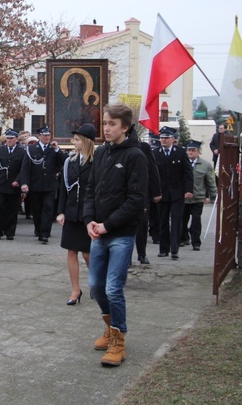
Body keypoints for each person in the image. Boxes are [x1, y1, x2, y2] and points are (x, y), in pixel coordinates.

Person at [83, 104, 147, 367]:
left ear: (125, 127)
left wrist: (108, 225)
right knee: (96, 286)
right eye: (105, 123)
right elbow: (90, 189)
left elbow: (136, 201)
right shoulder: (100, 154)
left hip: (120, 233)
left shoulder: (135, 156)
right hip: (98, 232)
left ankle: (118, 340)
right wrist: (89, 221)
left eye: (111, 124)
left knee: (113, 287)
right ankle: (109, 328)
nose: (106, 128)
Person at [56, 123, 95, 305]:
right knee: (72, 251)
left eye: (78, 140)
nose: (74, 143)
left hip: (88, 214)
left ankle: (96, 282)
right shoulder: (69, 161)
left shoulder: (96, 162)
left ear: (86, 142)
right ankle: (75, 289)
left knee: (87, 253)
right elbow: (64, 188)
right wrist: (61, 211)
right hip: (72, 212)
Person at [19, 125, 67, 244]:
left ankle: (45, 233)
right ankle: (39, 229)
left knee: (48, 208)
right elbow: (25, 167)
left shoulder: (53, 149)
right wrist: (24, 183)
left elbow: (64, 161)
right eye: (45, 135)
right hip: (36, 184)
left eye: (48, 135)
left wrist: (57, 150)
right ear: (39, 136)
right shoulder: (31, 149)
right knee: (37, 209)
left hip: (50, 185)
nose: (47, 137)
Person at [153, 126, 193, 260]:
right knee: (163, 222)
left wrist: (188, 190)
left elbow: (187, 173)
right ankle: (163, 249)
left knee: (176, 221)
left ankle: (174, 249)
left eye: (166, 138)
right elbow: (152, 174)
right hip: (161, 194)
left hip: (177, 193)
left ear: (172, 139)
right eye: (162, 137)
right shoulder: (155, 153)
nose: (163, 140)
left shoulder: (180, 152)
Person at [182, 140, 217, 251]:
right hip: (184, 198)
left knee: (196, 221)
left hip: (198, 197)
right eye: (189, 150)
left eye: (193, 150)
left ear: (198, 152)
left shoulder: (205, 165)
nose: (190, 153)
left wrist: (213, 196)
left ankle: (196, 242)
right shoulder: (182, 163)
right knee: (183, 219)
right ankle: (183, 238)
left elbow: (210, 182)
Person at [133, 131, 161, 265]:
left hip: (143, 191)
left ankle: (141, 254)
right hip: (123, 193)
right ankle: (126, 257)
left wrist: (156, 192)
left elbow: (153, 169)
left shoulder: (143, 147)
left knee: (142, 225)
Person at [0, 129, 25, 241]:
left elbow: (23, 169)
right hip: (1, 184)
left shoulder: (21, 152)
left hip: (14, 185)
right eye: (7, 138)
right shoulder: (0, 150)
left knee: (12, 210)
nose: (9, 140)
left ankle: (10, 232)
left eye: (11, 138)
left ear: (16, 139)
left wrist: (18, 180)